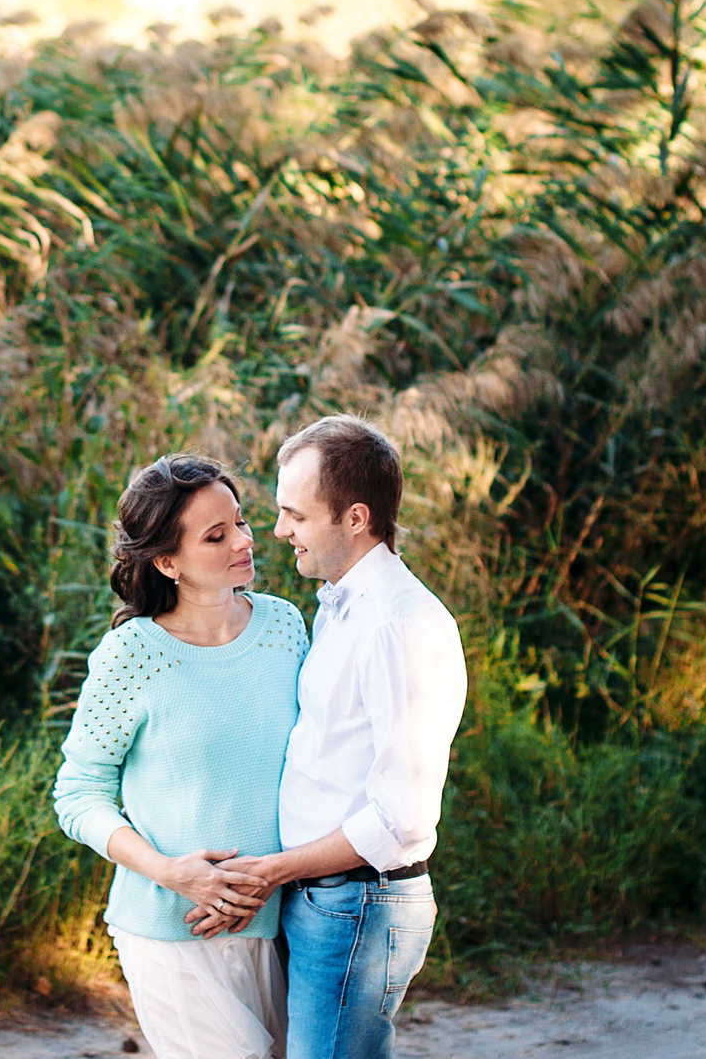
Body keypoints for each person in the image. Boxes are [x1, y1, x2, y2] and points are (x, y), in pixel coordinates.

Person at [199, 415, 466, 1059]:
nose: (279, 530)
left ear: (355, 518)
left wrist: (275, 871)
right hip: (325, 900)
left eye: (296, 514)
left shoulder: (397, 626)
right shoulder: (341, 604)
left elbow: (399, 817)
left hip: (359, 908)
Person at [53, 453, 309, 1059]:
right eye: (216, 536)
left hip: (278, 922)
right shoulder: (132, 654)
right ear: (167, 562)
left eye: (242, 523)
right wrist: (173, 873)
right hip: (171, 927)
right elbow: (78, 795)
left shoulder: (285, 627)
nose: (244, 542)